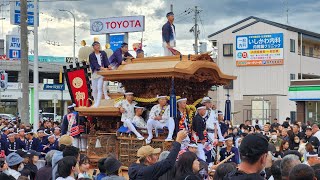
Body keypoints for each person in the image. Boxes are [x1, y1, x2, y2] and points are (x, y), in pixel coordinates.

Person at [89, 41, 112, 107]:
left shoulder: (103, 53)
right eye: (96, 45)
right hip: (95, 73)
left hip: (102, 73)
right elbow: (95, 64)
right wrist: (102, 68)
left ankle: (98, 103)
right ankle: (95, 102)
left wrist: (108, 66)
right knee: (94, 89)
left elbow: (106, 61)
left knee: (99, 87)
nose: (98, 46)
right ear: (93, 47)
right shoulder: (91, 55)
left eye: (99, 45)